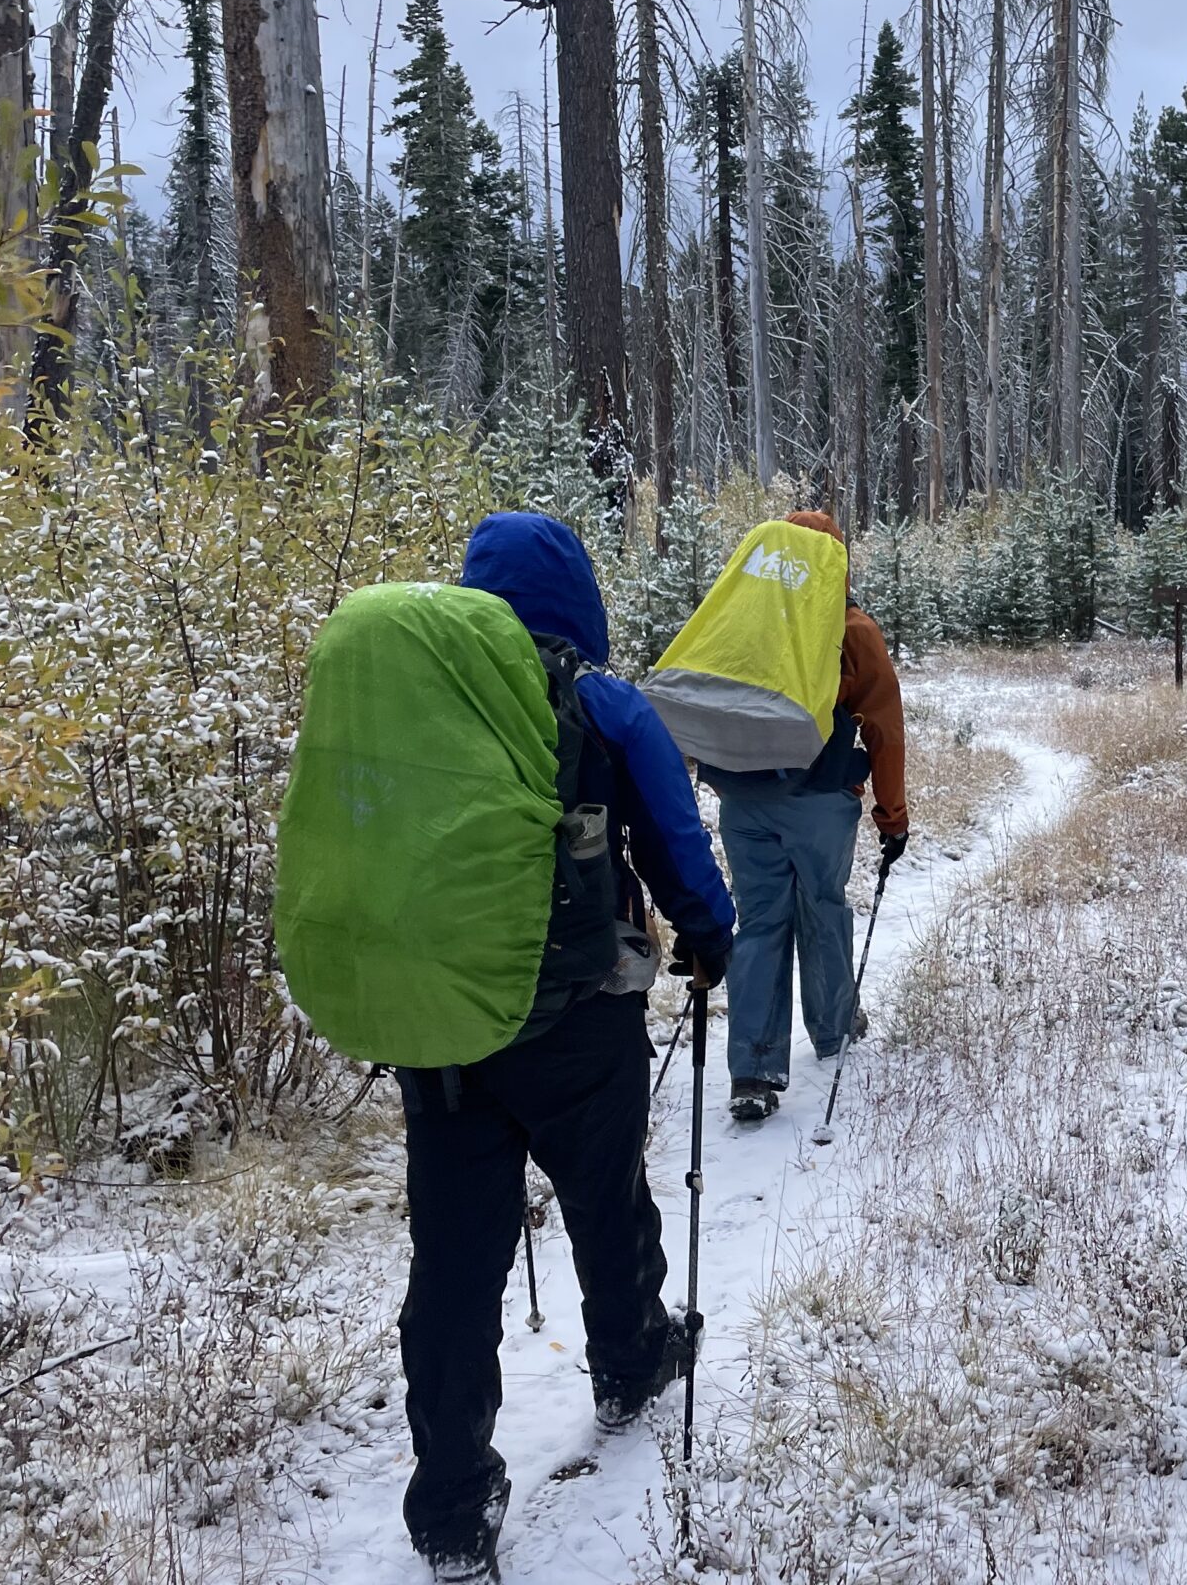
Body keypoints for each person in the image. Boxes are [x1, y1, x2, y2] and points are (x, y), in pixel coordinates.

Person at [396, 513, 736, 1584]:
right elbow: (672, 838)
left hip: (441, 1026)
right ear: (575, 597)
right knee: (604, 1195)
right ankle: (632, 1361)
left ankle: (451, 1501)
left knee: (453, 1257)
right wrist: (707, 934)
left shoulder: (420, 701)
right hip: (578, 1015)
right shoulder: (600, 702)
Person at [702, 509, 909, 1123]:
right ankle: (834, 1027)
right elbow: (885, 730)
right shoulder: (852, 629)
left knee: (760, 922)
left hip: (742, 797)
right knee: (822, 904)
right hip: (820, 799)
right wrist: (891, 816)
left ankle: (753, 1070)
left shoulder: (743, 623)